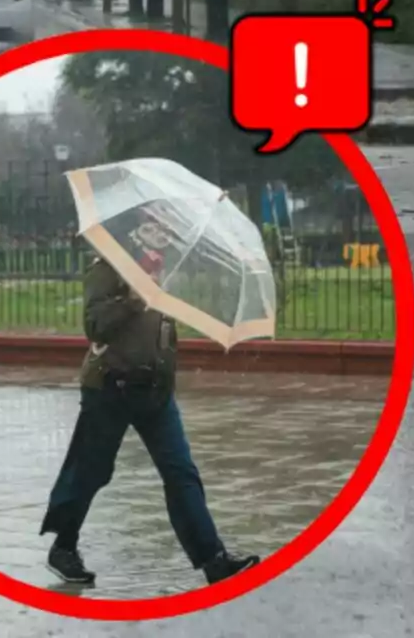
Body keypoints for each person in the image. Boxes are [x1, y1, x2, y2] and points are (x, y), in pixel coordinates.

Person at [39, 251, 260, 587]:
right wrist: (134, 296)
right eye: (150, 222)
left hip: (155, 392)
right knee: (90, 471)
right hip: (111, 387)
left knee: (180, 470)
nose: (157, 230)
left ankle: (213, 560)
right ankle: (63, 547)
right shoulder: (107, 266)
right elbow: (95, 326)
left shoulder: (164, 266)